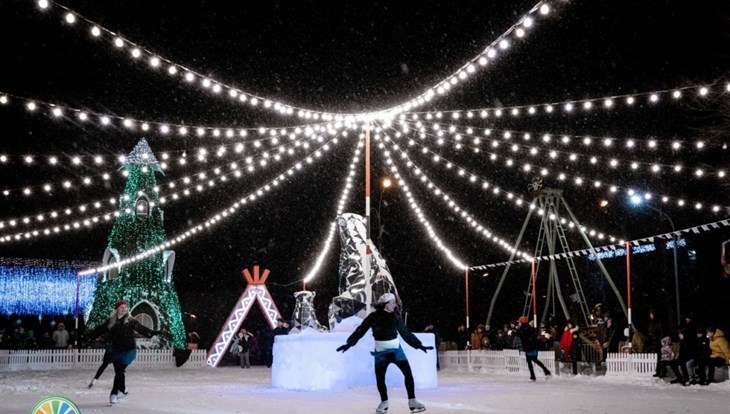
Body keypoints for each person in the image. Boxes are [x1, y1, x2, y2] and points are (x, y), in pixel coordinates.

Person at [336, 293, 432, 414]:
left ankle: (412, 401)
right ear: (386, 304)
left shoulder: (395, 317)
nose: (395, 305)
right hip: (381, 352)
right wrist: (349, 343)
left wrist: (418, 345)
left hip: (396, 350)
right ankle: (384, 402)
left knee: (408, 374)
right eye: (392, 303)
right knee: (380, 379)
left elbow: (405, 333)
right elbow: (360, 331)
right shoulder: (373, 317)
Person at [103, 300, 159, 404]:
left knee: (120, 371)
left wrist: (153, 332)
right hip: (116, 350)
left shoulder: (131, 321)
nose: (124, 309)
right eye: (121, 307)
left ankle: (114, 393)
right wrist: (87, 336)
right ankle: (122, 389)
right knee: (119, 372)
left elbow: (141, 329)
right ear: (117, 309)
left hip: (128, 350)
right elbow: (101, 329)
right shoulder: (111, 321)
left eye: (125, 307)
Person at [515, 316, 551, 381]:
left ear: (522, 322)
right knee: (532, 360)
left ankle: (543, 373)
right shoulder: (527, 328)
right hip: (531, 347)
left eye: (520, 322)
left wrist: (516, 331)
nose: (519, 323)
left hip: (530, 347)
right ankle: (536, 375)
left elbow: (521, 335)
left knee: (533, 360)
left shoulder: (524, 329)